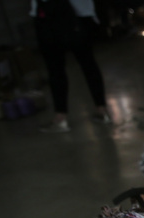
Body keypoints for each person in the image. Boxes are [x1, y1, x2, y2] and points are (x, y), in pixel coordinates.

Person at [31, 0, 112, 132]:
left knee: (56, 68)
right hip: (82, 13)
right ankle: (103, 111)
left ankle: (61, 118)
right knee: (88, 64)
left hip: (50, 15)